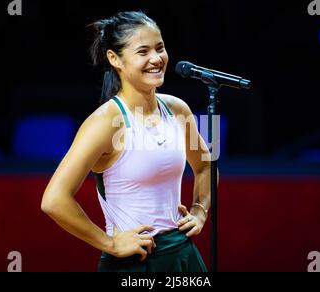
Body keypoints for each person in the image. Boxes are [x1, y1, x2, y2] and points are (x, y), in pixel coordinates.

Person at [41, 10, 214, 272]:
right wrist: (109, 243)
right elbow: (54, 199)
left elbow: (206, 165)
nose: (156, 59)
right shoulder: (105, 121)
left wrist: (200, 210)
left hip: (183, 255)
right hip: (136, 263)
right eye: (143, 52)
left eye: (160, 48)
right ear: (114, 58)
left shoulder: (178, 109)